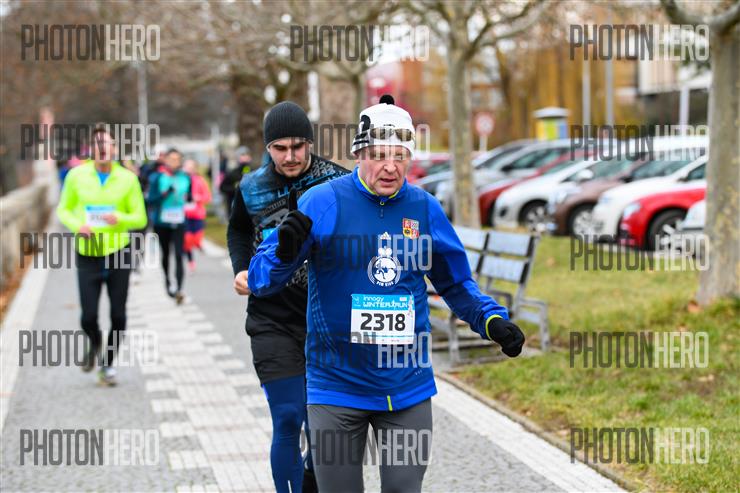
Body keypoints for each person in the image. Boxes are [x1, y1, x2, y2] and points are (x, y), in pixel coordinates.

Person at [247, 95, 525, 492]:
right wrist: (285, 253)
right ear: (359, 154)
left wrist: (490, 319)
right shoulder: (324, 201)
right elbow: (261, 281)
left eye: (400, 155)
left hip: (406, 387)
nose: (390, 166)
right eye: (378, 155)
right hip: (336, 386)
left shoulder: (424, 209)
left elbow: (455, 283)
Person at [227, 101, 348, 493]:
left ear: (310, 143)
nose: (290, 156)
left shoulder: (337, 182)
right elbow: (238, 229)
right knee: (288, 417)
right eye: (280, 148)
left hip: (326, 324)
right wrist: (241, 268)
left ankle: (310, 482)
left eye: (298, 146)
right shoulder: (251, 187)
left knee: (322, 426)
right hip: (271, 320)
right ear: (268, 148)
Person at [56, 126, 147, 386]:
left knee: (118, 315)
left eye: (107, 144)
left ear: (114, 149)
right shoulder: (76, 176)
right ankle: (95, 343)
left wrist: (120, 218)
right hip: (88, 253)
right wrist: (78, 226)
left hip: (119, 252)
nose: (103, 149)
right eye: (97, 145)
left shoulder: (128, 179)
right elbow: (64, 210)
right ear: (90, 150)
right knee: (88, 316)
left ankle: (107, 364)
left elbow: (140, 217)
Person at [148, 149, 190, 304]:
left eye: (177, 159)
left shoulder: (185, 177)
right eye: (171, 159)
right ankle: (167, 282)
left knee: (179, 254)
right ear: (165, 160)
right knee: (166, 254)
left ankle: (179, 289)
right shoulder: (157, 177)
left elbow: (190, 197)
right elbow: (151, 200)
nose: (174, 162)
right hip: (162, 223)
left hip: (179, 221)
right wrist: (164, 194)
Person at [183, 159, 212, 271]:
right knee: (187, 239)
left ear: (195, 168)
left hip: (197, 214)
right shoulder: (180, 180)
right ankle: (190, 261)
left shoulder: (200, 180)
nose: (188, 169)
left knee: (196, 238)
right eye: (186, 167)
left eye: (191, 167)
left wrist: (197, 198)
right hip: (184, 214)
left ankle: (198, 245)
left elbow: (207, 197)